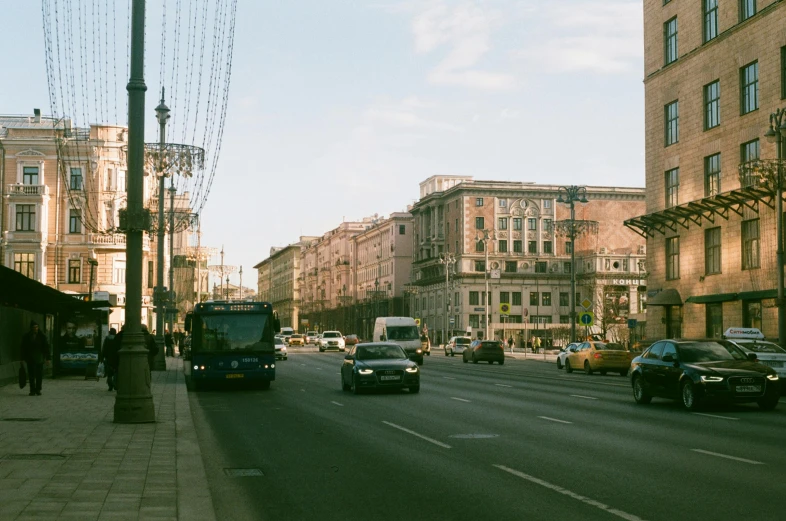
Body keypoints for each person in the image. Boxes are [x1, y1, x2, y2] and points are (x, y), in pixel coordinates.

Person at [21, 321, 50, 396]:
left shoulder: (42, 336)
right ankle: (32, 390)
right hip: (30, 358)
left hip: (39, 358)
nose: (35, 328)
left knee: (39, 375)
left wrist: (48, 358)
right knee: (31, 375)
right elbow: (23, 348)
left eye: (36, 327)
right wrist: (22, 358)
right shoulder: (26, 336)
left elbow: (46, 347)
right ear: (31, 328)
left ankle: (38, 389)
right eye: (34, 327)